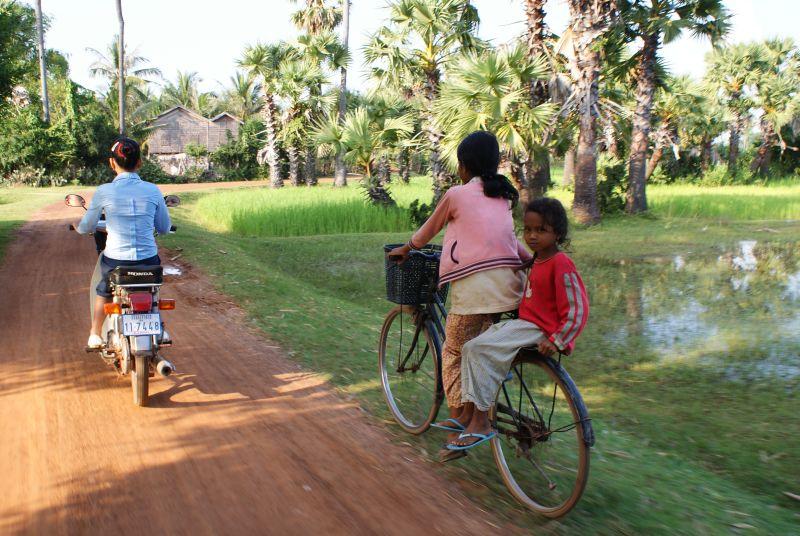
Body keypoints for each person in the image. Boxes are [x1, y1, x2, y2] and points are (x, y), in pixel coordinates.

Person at [388, 131, 532, 456]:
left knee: (453, 350)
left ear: (464, 165)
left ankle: (461, 423)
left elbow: (430, 228)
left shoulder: (455, 195)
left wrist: (408, 248)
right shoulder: (503, 196)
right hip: (510, 286)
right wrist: (529, 261)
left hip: (476, 291)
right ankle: (470, 415)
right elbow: (507, 241)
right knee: (479, 349)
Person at [448, 197, 589, 451]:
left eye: (541, 230)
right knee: (471, 347)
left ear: (557, 233)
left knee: (479, 349)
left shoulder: (561, 263)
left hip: (538, 330)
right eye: (528, 229)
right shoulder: (537, 258)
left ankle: (480, 422)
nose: (532, 236)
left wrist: (556, 340)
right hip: (526, 325)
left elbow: (578, 310)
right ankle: (470, 413)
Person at [76, 137, 171, 348]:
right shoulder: (153, 190)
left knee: (103, 290)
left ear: (112, 163)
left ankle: (94, 334)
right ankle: (158, 325)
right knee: (152, 288)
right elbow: (164, 227)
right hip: (148, 260)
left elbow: (88, 225)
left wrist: (80, 228)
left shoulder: (104, 191)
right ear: (139, 163)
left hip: (116, 261)